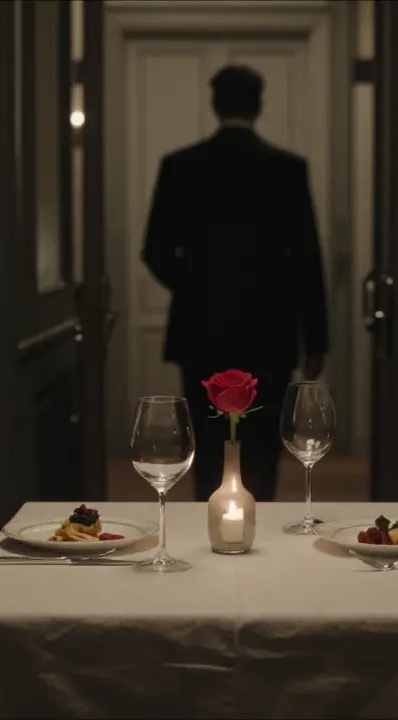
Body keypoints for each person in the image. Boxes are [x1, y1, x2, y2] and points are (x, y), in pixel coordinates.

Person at [141, 65, 330, 503]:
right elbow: (307, 259)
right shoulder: (286, 169)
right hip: (271, 330)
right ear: (258, 105)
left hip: (201, 329)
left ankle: (208, 524)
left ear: (215, 104)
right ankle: (257, 522)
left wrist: (196, 287)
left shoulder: (181, 166)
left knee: (208, 445)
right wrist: (316, 341)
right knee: (262, 448)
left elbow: (155, 251)